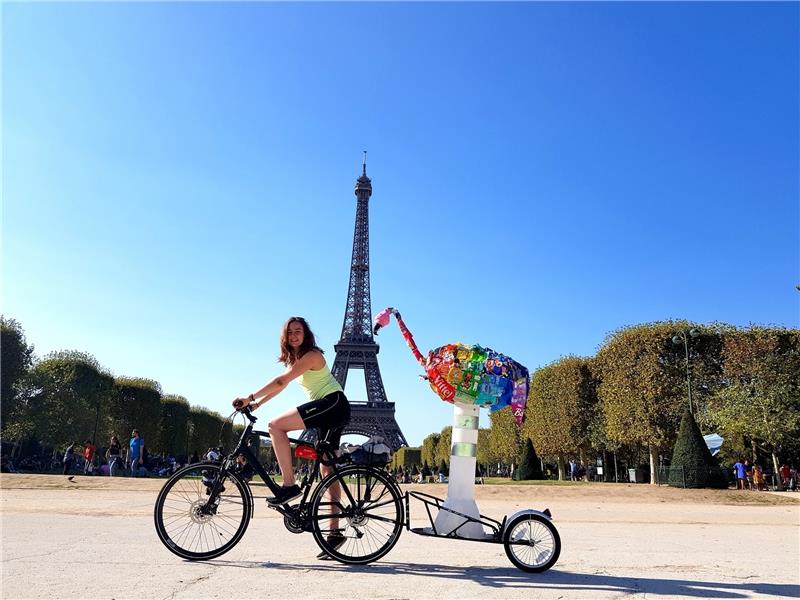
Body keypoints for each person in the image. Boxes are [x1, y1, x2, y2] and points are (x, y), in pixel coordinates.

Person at [233, 317, 351, 558]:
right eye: (290, 333)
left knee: (276, 426)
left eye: (298, 331)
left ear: (306, 334)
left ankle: (289, 485)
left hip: (332, 403)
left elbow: (280, 381)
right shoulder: (298, 360)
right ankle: (334, 532)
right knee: (327, 471)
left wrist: (250, 397)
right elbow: (282, 386)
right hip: (334, 408)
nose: (294, 335)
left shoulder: (312, 355)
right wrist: (256, 404)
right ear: (285, 338)